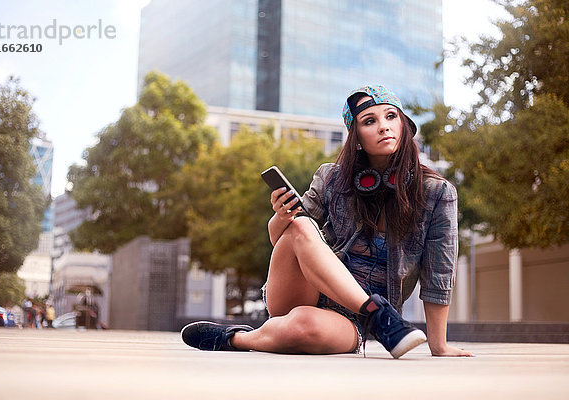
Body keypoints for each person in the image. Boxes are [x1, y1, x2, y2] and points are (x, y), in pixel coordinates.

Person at [182, 85, 473, 358]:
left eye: (391, 116)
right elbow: (282, 240)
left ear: (403, 125)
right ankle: (378, 315)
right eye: (369, 121)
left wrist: (439, 346)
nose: (383, 125)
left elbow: (439, 274)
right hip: (305, 290)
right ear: (356, 138)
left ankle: (237, 338)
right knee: (300, 224)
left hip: (349, 323)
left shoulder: (437, 194)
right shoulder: (331, 178)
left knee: (301, 326)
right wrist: (281, 215)